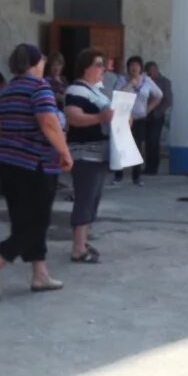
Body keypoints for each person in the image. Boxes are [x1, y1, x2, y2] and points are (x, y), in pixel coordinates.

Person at [0, 44, 73, 299]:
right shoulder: (40, 88)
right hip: (35, 165)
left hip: (8, 164)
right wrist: (64, 151)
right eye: (41, 60)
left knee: (23, 220)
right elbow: (49, 123)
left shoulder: (6, 90)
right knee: (36, 223)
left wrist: (15, 133)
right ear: (34, 62)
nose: (43, 64)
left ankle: (40, 275)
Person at [65, 49, 114, 263]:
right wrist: (101, 117)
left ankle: (83, 241)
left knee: (93, 198)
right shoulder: (76, 89)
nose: (103, 68)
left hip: (98, 152)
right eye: (98, 64)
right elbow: (74, 118)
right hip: (85, 153)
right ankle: (78, 248)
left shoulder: (96, 91)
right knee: (85, 198)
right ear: (86, 67)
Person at [113, 56, 163, 186]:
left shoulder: (147, 81)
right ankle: (118, 176)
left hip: (140, 118)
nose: (134, 67)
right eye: (131, 65)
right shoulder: (122, 79)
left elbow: (159, 95)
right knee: (122, 147)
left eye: (137, 65)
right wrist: (130, 84)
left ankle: (136, 177)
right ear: (128, 67)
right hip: (123, 118)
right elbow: (117, 95)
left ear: (141, 67)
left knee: (137, 146)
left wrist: (148, 109)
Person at [144, 61, 172, 175]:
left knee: (154, 140)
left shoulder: (164, 82)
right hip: (145, 114)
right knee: (147, 141)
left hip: (157, 115)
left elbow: (168, 100)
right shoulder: (146, 81)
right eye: (148, 72)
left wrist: (158, 112)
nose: (150, 74)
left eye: (152, 71)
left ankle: (154, 167)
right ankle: (148, 166)